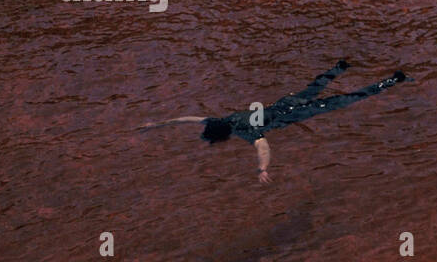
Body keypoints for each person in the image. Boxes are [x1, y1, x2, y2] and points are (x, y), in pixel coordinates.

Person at [139, 59, 408, 183]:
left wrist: (262, 169)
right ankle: (341, 66)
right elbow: (189, 119)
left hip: (299, 113)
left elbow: (263, 147)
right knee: (314, 87)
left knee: (351, 98)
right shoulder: (224, 118)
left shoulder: (245, 131)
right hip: (285, 102)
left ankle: (394, 79)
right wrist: (158, 124)